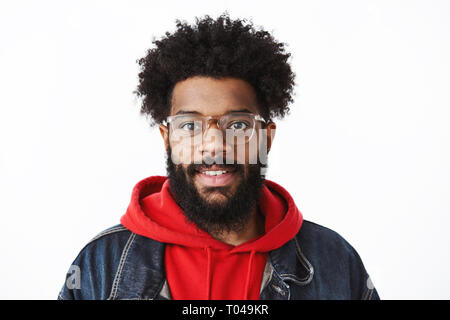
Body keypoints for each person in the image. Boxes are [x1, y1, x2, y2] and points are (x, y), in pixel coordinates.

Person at [58, 13, 379, 300]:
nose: (214, 144)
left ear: (266, 138)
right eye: (189, 125)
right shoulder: (100, 263)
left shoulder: (334, 259)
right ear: (167, 139)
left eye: (237, 124)